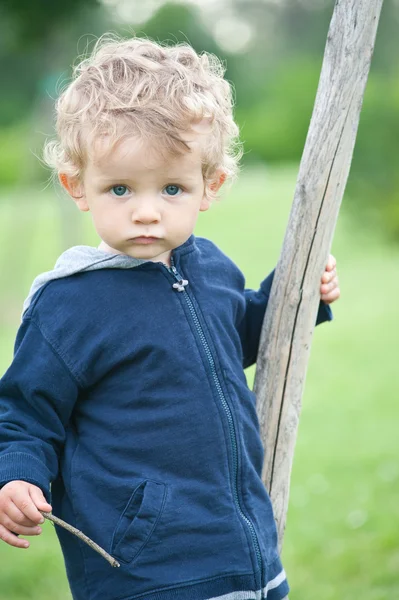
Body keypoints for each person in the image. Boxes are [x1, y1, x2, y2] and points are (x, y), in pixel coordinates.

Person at [0, 36, 340, 600]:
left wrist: (299, 292)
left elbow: (240, 339)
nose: (147, 210)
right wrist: (16, 475)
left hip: (246, 552)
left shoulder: (210, 268)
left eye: (172, 187)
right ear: (76, 186)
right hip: (144, 571)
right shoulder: (69, 306)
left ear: (211, 186)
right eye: (120, 188)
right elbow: (23, 414)